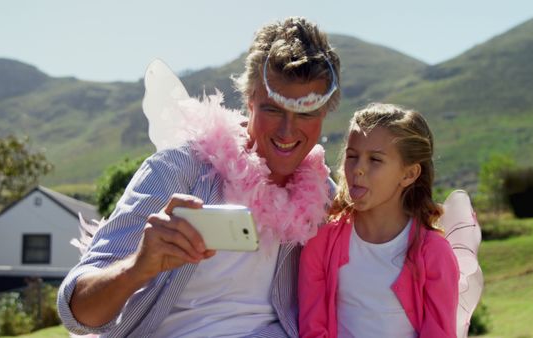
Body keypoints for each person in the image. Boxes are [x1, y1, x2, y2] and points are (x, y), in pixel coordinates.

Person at [57, 17, 340, 337]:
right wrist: (137, 267)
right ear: (249, 101)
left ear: (325, 113)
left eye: (306, 113)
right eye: (273, 109)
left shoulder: (326, 199)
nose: (288, 131)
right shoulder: (179, 170)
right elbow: (76, 313)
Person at [298, 103, 460, 338]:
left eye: (375, 160)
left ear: (409, 174)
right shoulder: (321, 242)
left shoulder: (433, 253)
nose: (358, 169)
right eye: (352, 156)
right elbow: (312, 329)